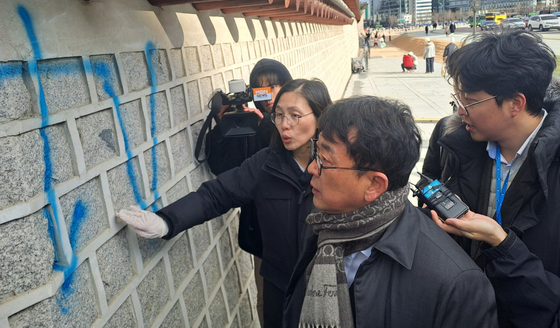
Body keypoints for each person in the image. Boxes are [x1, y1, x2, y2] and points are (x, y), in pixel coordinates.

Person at [118, 79, 332, 328]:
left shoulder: (339, 167)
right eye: (279, 115)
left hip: (327, 287)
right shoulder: (265, 165)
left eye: (295, 116)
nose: (285, 125)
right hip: (279, 287)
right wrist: (166, 221)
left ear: (320, 117)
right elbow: (216, 195)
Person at [283, 96, 498, 328]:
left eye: (325, 159)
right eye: (316, 152)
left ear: (375, 185)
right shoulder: (325, 225)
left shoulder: (457, 286)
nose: (312, 168)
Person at [420, 29, 560, 327]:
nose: (460, 110)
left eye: (469, 101)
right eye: (456, 98)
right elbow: (428, 186)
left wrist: (500, 243)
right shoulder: (451, 137)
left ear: (515, 104)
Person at [207, 58, 292, 325]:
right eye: (260, 90)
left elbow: (289, 159)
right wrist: (223, 128)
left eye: (274, 87)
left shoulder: (302, 116)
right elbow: (223, 167)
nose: (268, 96)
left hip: (302, 228)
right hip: (264, 234)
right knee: (267, 303)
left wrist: (267, 125)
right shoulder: (251, 123)